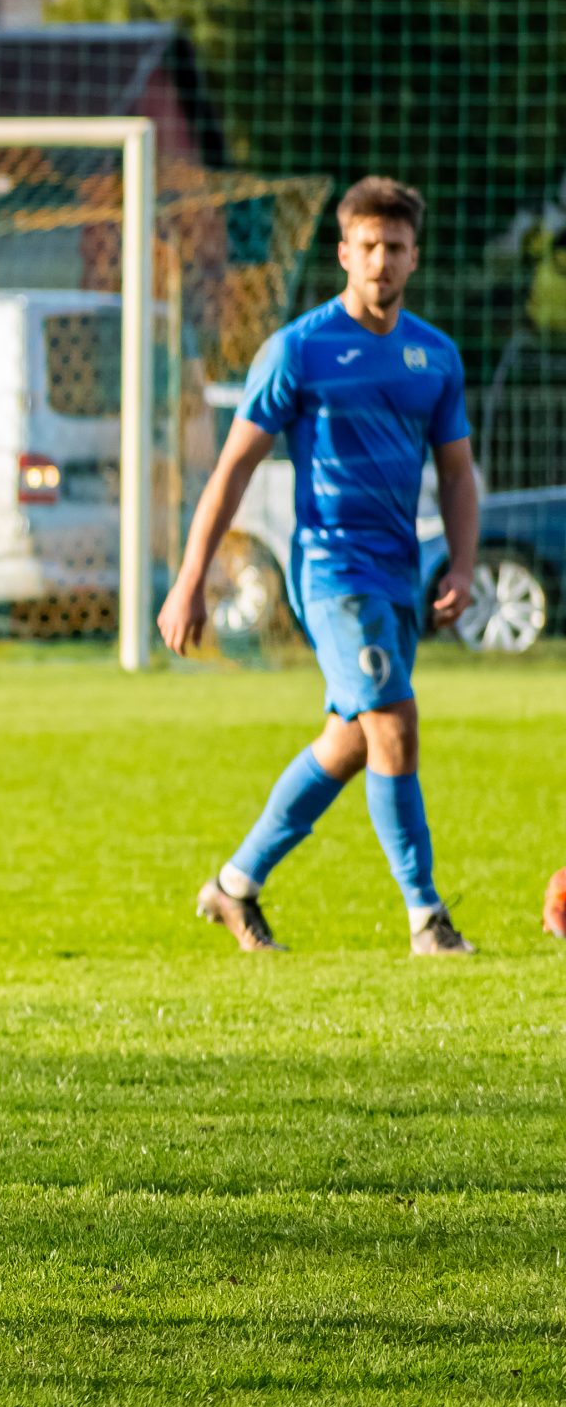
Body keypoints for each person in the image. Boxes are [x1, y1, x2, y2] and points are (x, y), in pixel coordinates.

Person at [159, 176, 479, 955]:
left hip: (397, 574)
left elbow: (457, 472)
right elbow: (233, 467)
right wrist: (191, 577)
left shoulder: (435, 356)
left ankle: (234, 885)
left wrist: (464, 567)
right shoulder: (298, 349)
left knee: (351, 740)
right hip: (333, 573)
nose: (380, 261)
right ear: (343, 252)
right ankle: (426, 916)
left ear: (414, 256)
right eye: (367, 246)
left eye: (395, 247)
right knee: (394, 724)